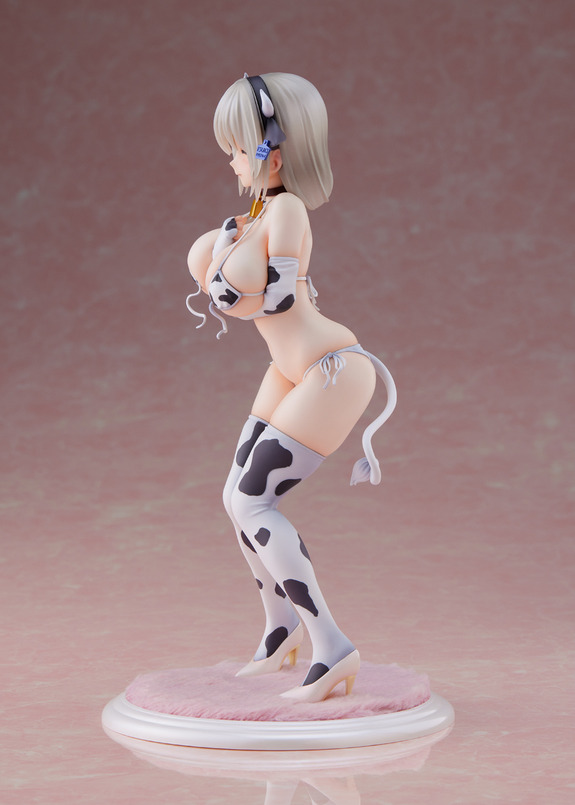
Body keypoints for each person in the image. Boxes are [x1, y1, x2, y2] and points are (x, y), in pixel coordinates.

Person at [186, 73, 396, 703]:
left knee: (255, 503)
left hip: (332, 368)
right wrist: (223, 260)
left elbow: (274, 298)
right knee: (235, 499)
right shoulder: (255, 214)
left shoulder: (286, 210)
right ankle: (281, 633)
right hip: (288, 368)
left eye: (236, 147)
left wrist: (220, 279)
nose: (230, 160)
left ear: (270, 152)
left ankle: (331, 647)